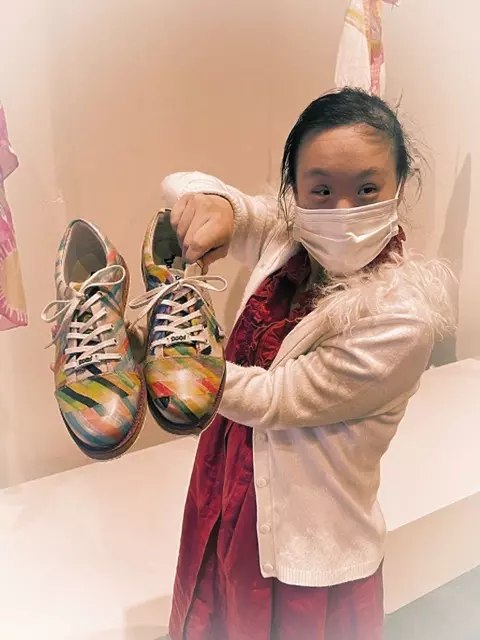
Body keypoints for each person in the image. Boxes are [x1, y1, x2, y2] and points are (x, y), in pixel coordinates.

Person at [161, 88, 454, 640]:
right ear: (294, 192)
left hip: (308, 546)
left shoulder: (401, 317)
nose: (342, 211)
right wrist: (216, 205)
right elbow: (189, 187)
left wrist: (177, 368)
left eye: (366, 189)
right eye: (321, 190)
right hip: (226, 486)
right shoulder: (290, 241)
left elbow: (277, 398)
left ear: (400, 184)